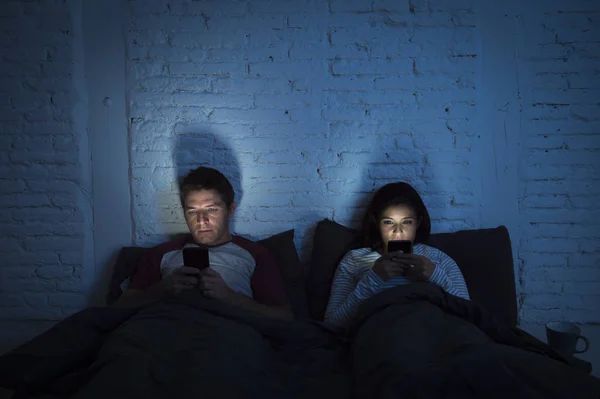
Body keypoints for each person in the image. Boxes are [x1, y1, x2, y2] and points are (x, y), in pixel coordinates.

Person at [117, 166, 293, 320]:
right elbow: (120, 307)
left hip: (228, 335)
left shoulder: (255, 254)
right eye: (193, 211)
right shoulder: (161, 254)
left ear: (230, 210)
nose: (202, 220)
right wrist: (161, 290)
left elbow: (284, 317)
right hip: (168, 329)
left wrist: (230, 298)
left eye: (211, 210)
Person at [324, 182, 470, 328]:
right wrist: (374, 279)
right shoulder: (354, 260)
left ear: (418, 222)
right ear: (376, 223)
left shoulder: (438, 259)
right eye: (388, 222)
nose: (398, 231)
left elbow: (470, 316)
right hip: (382, 336)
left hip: (432, 334)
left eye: (406, 222)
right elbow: (332, 324)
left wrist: (435, 275)